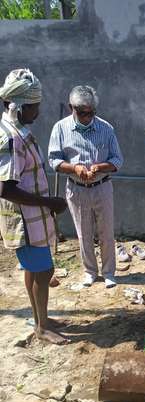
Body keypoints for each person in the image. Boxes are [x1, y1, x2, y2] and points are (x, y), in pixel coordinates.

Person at [0, 68, 68, 344]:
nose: (37, 112)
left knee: (35, 269)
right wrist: (49, 202)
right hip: (24, 219)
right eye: (33, 107)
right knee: (44, 271)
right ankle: (41, 327)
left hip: (35, 216)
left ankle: (42, 318)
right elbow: (5, 187)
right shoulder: (10, 137)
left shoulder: (19, 129)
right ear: (17, 107)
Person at [48, 85, 123, 288]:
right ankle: (90, 271)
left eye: (91, 112)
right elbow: (54, 160)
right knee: (84, 233)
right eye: (82, 113)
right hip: (76, 188)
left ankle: (109, 272)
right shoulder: (61, 128)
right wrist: (75, 169)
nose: (87, 117)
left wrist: (99, 167)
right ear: (72, 108)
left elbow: (118, 160)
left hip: (102, 186)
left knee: (106, 232)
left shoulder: (106, 128)